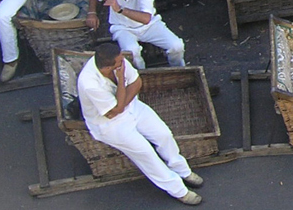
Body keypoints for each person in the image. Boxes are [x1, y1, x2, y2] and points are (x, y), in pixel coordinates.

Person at [77, 43, 203, 205]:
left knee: (163, 134)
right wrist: (121, 80)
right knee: (146, 154)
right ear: (108, 67)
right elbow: (114, 111)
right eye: (119, 62)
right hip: (109, 124)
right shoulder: (90, 84)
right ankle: (179, 191)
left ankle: (183, 171)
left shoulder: (119, 62)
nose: (124, 62)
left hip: (131, 106)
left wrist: (123, 102)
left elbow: (136, 83)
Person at [86, 0, 186, 70]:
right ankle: (141, 76)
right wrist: (92, 13)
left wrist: (120, 9)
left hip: (149, 26)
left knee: (177, 46)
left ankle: (179, 69)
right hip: (122, 27)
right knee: (132, 54)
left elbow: (146, 19)